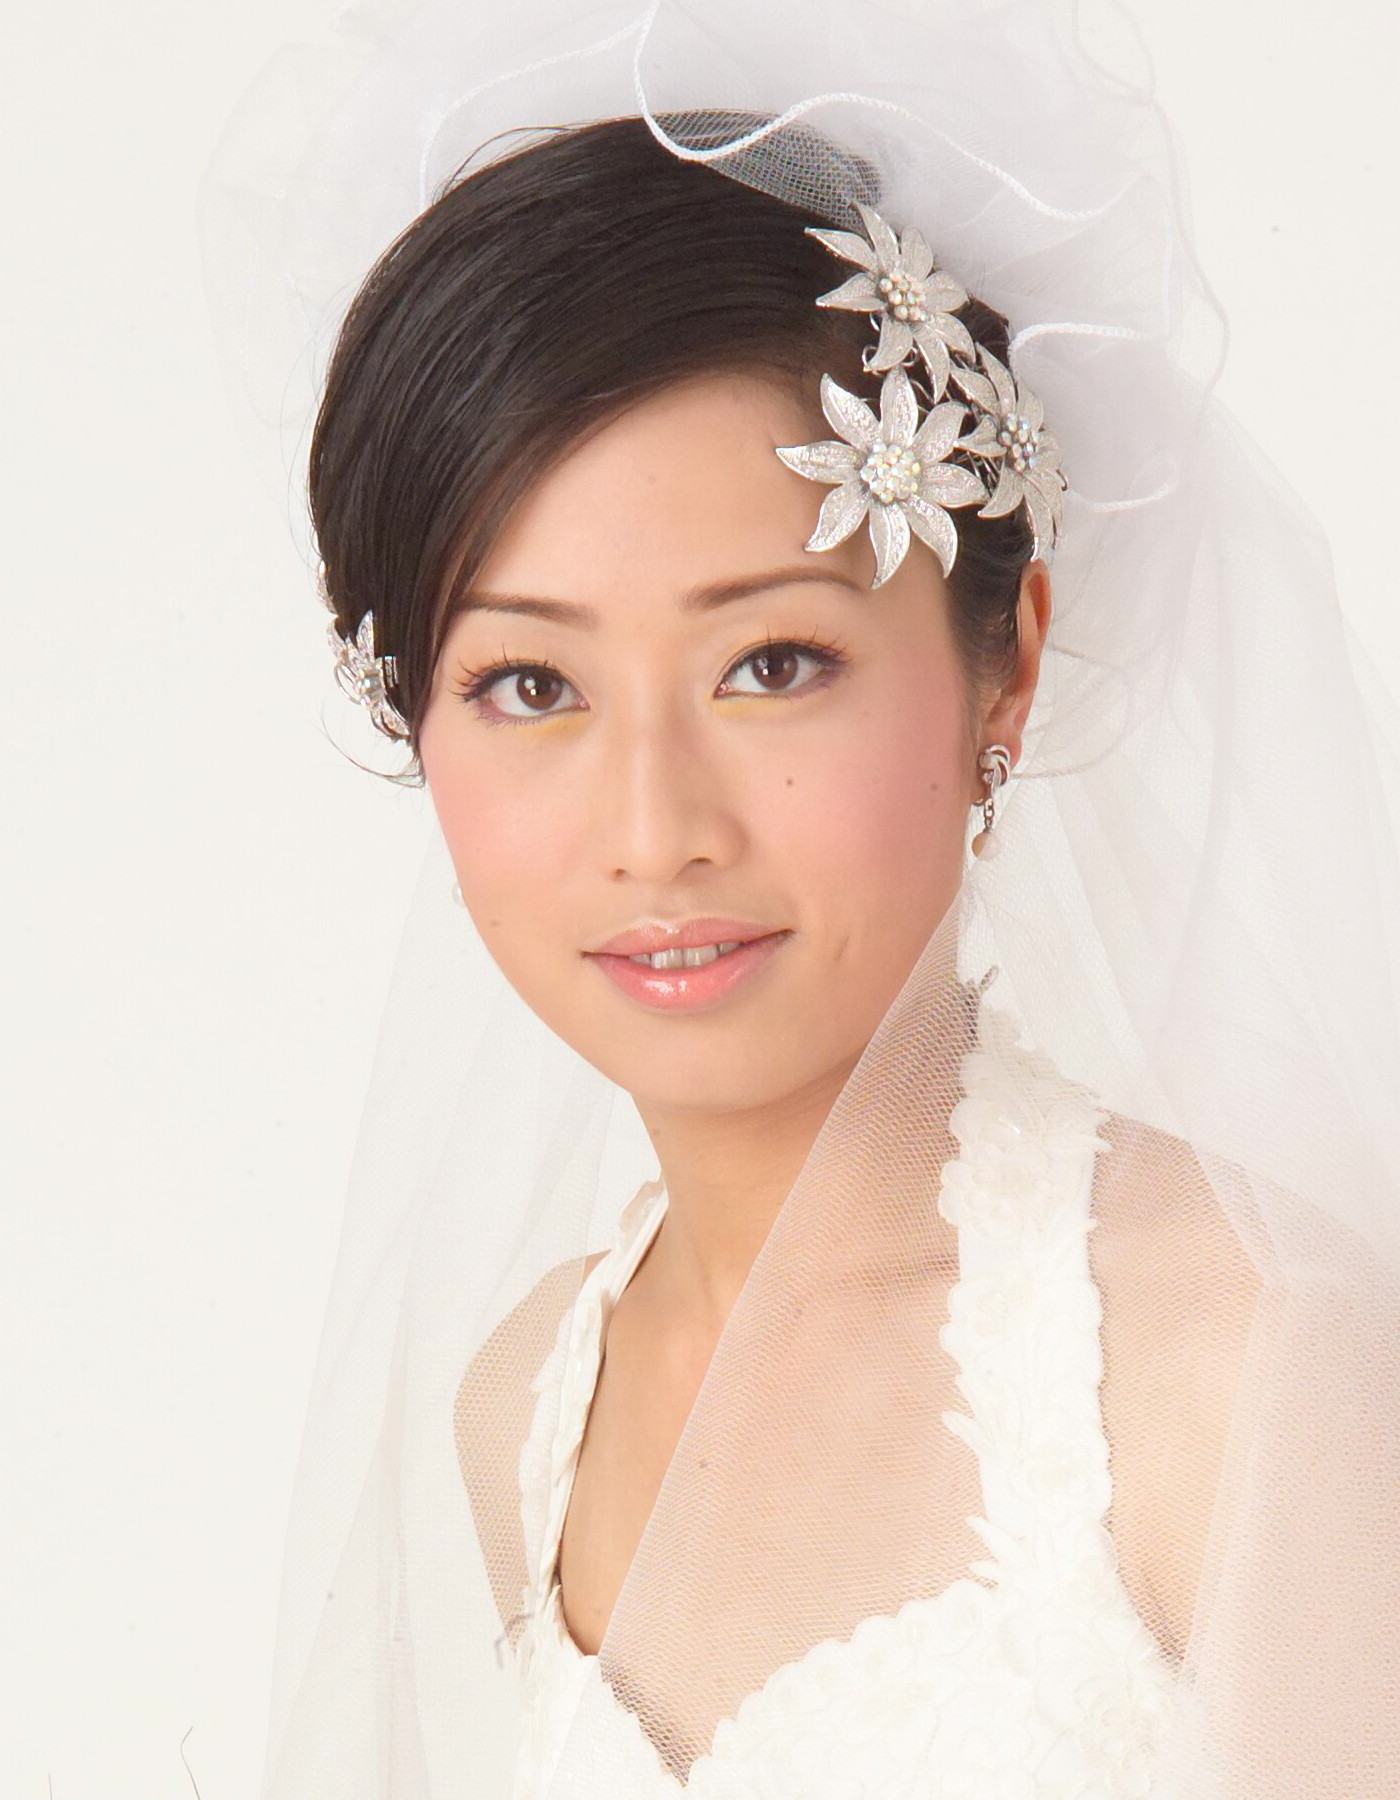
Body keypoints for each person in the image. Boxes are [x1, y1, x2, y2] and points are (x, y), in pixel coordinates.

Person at [196, 2, 1400, 1795]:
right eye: (530, 684)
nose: (656, 828)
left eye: (770, 664)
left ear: (1007, 663)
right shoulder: (526, 1412)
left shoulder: (1245, 1359)